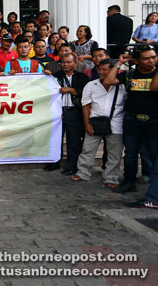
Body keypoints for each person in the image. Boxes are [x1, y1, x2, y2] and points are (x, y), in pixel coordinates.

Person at [104, 45, 158, 194]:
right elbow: (108, 81)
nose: (151, 61)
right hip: (132, 120)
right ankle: (129, 182)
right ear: (137, 61)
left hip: (154, 120)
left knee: (154, 154)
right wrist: (119, 63)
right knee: (130, 154)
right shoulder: (130, 74)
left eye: (153, 57)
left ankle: (154, 187)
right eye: (146, 58)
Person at [71, 59, 125, 187]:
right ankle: (83, 172)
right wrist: (87, 124)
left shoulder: (122, 86)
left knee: (114, 153)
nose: (101, 72)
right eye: (99, 69)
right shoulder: (91, 85)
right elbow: (86, 106)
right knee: (87, 149)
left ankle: (111, 177)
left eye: (105, 69)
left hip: (116, 123)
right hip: (95, 122)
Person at [46, 53, 89, 174]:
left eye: (69, 62)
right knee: (55, 139)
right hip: (57, 112)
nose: (65, 64)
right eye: (63, 62)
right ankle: (54, 163)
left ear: (75, 63)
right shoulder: (54, 76)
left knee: (73, 141)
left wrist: (70, 90)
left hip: (74, 112)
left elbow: (85, 93)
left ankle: (71, 166)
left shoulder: (82, 77)